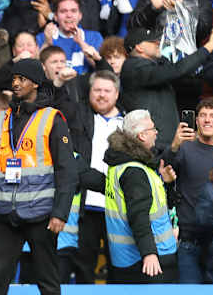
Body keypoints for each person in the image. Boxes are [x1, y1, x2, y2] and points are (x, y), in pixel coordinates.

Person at [0, 58, 77, 295]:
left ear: (36, 84)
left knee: (47, 279)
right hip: (4, 213)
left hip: (41, 213)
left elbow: (67, 171)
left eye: (22, 79)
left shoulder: (52, 118)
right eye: (14, 79)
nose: (16, 83)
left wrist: (60, 213)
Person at [103, 110, 178, 283]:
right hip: (149, 262)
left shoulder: (121, 164)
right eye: (152, 128)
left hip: (127, 259)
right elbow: (138, 216)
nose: (156, 132)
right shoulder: (134, 170)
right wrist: (149, 253)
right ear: (142, 135)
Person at [120, 27, 213, 150]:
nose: (158, 44)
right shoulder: (133, 67)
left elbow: (184, 76)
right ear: (139, 47)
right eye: (153, 42)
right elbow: (177, 70)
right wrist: (209, 47)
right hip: (152, 145)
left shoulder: (156, 66)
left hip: (166, 143)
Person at [67, 70, 123, 283]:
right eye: (97, 90)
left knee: (118, 267)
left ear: (116, 94)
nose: (101, 95)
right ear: (88, 92)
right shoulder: (79, 118)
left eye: (107, 90)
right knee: (83, 268)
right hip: (86, 206)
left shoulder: (128, 122)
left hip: (117, 207)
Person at [163, 97, 213, 283]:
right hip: (189, 241)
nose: (207, 120)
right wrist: (173, 146)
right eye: (203, 115)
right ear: (196, 120)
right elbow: (163, 171)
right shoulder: (184, 148)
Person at [37, 0, 103, 75]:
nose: (69, 15)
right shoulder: (42, 37)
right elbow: (35, 71)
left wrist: (81, 43)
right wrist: (47, 43)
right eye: (63, 11)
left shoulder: (94, 37)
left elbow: (101, 68)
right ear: (56, 17)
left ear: (80, 16)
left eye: (73, 11)